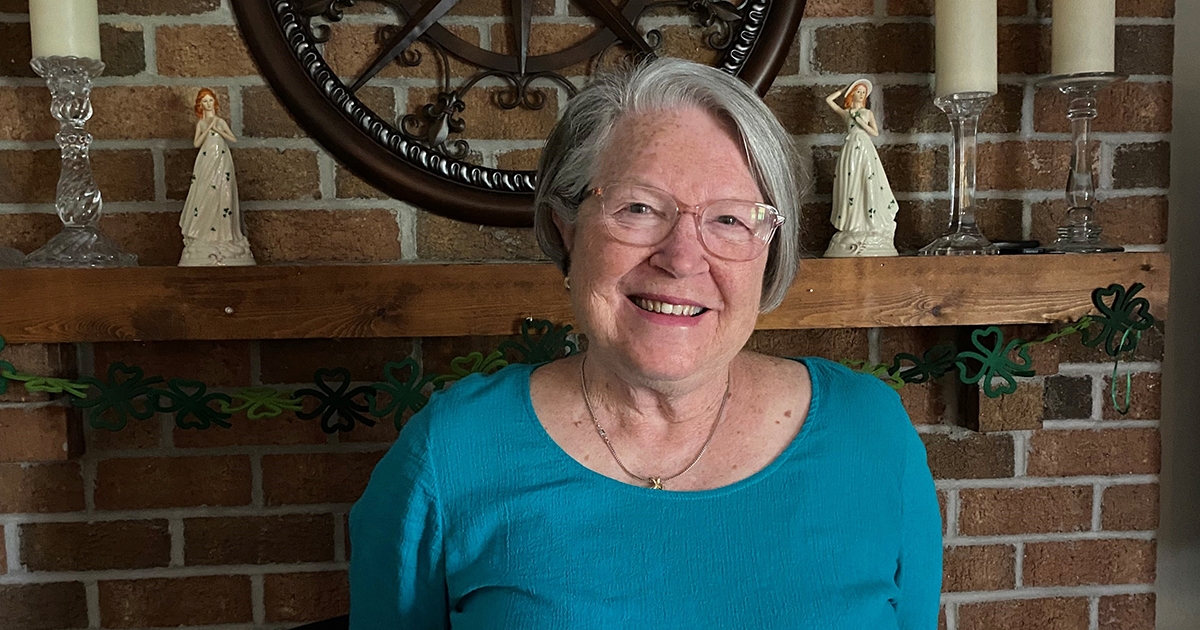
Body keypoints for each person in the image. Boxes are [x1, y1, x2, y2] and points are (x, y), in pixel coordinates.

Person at [350, 57, 941, 629]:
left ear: (768, 253)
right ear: (567, 227)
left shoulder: (872, 437)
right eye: (638, 208)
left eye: (731, 220)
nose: (683, 259)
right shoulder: (450, 454)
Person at [178, 88, 255, 266]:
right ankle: (204, 234)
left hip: (221, 160)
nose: (207, 104)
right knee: (204, 194)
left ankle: (225, 235)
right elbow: (196, 143)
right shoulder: (201, 123)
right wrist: (207, 130)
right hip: (206, 161)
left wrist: (218, 130)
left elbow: (233, 138)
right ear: (200, 104)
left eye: (210, 101)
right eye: (204, 101)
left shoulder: (219, 121)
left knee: (223, 193)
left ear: (215, 102)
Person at [824, 78, 900, 257]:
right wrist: (843, 90)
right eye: (857, 91)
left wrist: (862, 123)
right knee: (851, 183)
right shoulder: (847, 113)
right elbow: (828, 101)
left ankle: (870, 222)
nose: (860, 94)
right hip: (851, 149)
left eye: (863, 92)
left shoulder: (867, 113)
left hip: (864, 148)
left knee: (868, 180)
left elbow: (874, 132)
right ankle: (852, 224)